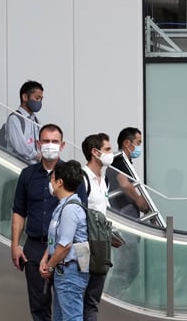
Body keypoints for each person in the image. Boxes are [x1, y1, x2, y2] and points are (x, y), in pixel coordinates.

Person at [11, 123, 88, 321]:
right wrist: (15, 245)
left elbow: (81, 213)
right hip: (36, 247)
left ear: (62, 145)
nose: (50, 145)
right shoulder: (27, 175)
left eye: (55, 142)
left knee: (69, 306)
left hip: (68, 253)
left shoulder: (72, 175)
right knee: (39, 306)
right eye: (46, 141)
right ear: (38, 143)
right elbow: (19, 211)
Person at [40, 160, 90, 321]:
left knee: (71, 318)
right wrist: (45, 258)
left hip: (70, 271)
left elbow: (65, 245)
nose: (50, 182)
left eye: (52, 178)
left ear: (60, 182)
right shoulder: (62, 206)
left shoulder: (70, 209)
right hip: (63, 271)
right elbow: (55, 240)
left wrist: (49, 266)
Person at [80, 133, 113, 321]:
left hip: (101, 248)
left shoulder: (105, 180)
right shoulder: (83, 179)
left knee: (92, 301)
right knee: (81, 300)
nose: (111, 154)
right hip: (85, 248)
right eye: (107, 149)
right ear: (95, 152)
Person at [110, 127, 152, 221]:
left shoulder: (126, 163)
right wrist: (139, 200)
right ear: (127, 143)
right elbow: (124, 184)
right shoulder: (119, 162)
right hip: (122, 215)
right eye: (138, 143)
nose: (139, 146)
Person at [5, 81, 43, 162]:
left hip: (34, 167)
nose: (39, 102)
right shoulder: (15, 119)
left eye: (41, 99)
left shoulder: (36, 121)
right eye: (37, 98)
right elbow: (20, 146)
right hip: (19, 167)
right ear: (25, 97)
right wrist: (37, 156)